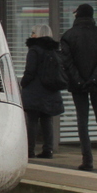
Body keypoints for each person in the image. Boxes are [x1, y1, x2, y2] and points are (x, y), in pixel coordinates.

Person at [60, 3, 97, 171]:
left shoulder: (68, 36)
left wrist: (79, 80)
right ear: (92, 16)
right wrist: (93, 78)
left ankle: (87, 160)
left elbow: (67, 62)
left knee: (82, 121)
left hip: (78, 86)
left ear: (77, 16)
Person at [20, 24, 64, 159]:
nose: (31, 35)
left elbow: (30, 71)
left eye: (33, 32)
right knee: (47, 120)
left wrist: (23, 83)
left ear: (38, 34)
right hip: (50, 90)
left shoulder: (34, 50)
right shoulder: (54, 50)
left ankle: (30, 150)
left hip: (34, 89)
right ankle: (48, 150)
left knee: (32, 120)